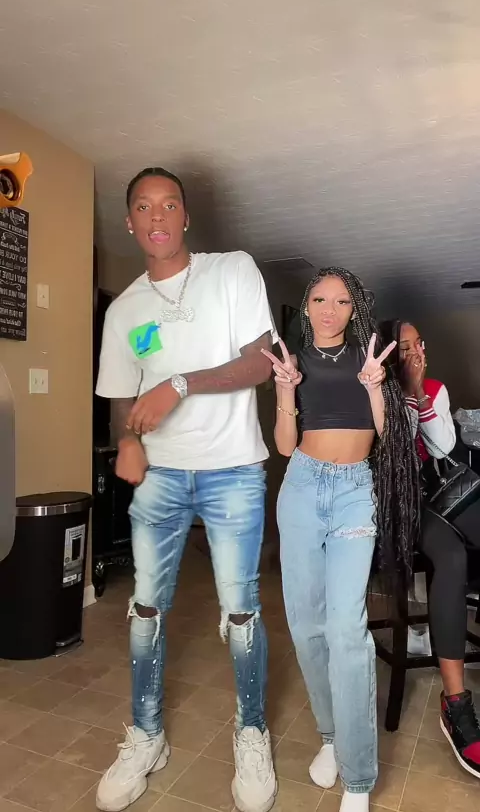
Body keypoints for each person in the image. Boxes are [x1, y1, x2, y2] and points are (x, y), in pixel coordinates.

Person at [95, 167, 278, 812]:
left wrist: (179, 384)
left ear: (185, 215)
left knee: (241, 611)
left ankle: (251, 732)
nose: (158, 216)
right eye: (144, 207)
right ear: (130, 222)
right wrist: (129, 439)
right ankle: (146, 735)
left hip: (234, 471)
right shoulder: (124, 311)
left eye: (169, 204)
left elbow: (260, 363)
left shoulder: (232, 271)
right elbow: (122, 394)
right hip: (161, 477)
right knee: (145, 607)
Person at [261, 269, 420, 812]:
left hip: (355, 492)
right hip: (302, 488)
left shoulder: (368, 358)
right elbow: (286, 446)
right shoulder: (294, 363)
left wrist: (376, 388)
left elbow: (389, 437)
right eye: (319, 299)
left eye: (342, 301)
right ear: (306, 306)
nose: (330, 309)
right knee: (306, 626)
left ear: (356, 309)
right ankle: (331, 736)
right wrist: (285, 389)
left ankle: (358, 777)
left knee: (346, 629)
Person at [380, 320, 480, 780]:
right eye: (406, 347)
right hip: (402, 503)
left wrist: (420, 391)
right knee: (453, 557)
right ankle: (456, 703)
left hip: (440, 493)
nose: (417, 351)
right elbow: (394, 449)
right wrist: (405, 391)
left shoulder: (434, 388)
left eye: (419, 343)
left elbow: (442, 447)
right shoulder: (376, 391)